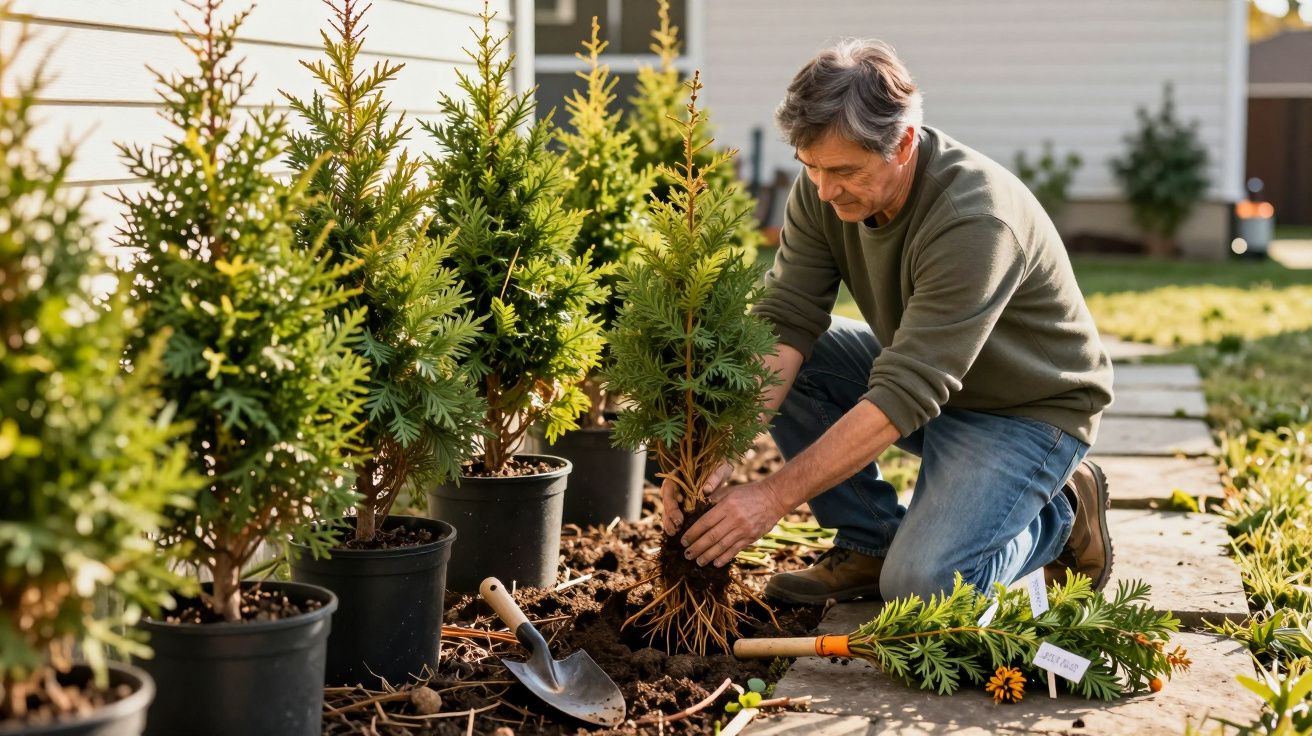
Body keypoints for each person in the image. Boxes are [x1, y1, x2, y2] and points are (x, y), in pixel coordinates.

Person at [667, 39, 1115, 605]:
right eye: (811, 167)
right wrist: (720, 449)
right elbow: (784, 322)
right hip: (936, 388)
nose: (825, 190)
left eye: (845, 171)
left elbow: (906, 390)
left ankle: (1061, 512)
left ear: (902, 143)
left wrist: (771, 497)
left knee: (924, 586)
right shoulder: (822, 189)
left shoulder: (975, 217)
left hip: (1026, 412)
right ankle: (869, 540)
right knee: (806, 355)